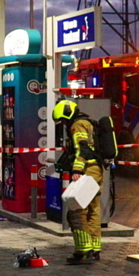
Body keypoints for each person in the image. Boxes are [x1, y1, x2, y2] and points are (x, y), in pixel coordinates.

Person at [53, 99, 103, 264]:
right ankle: (95, 247)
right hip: (96, 169)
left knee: (75, 210)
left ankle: (82, 249)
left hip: (87, 170)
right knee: (93, 210)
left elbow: (82, 149)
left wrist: (76, 170)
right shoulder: (88, 122)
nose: (64, 124)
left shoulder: (78, 125)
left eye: (64, 120)